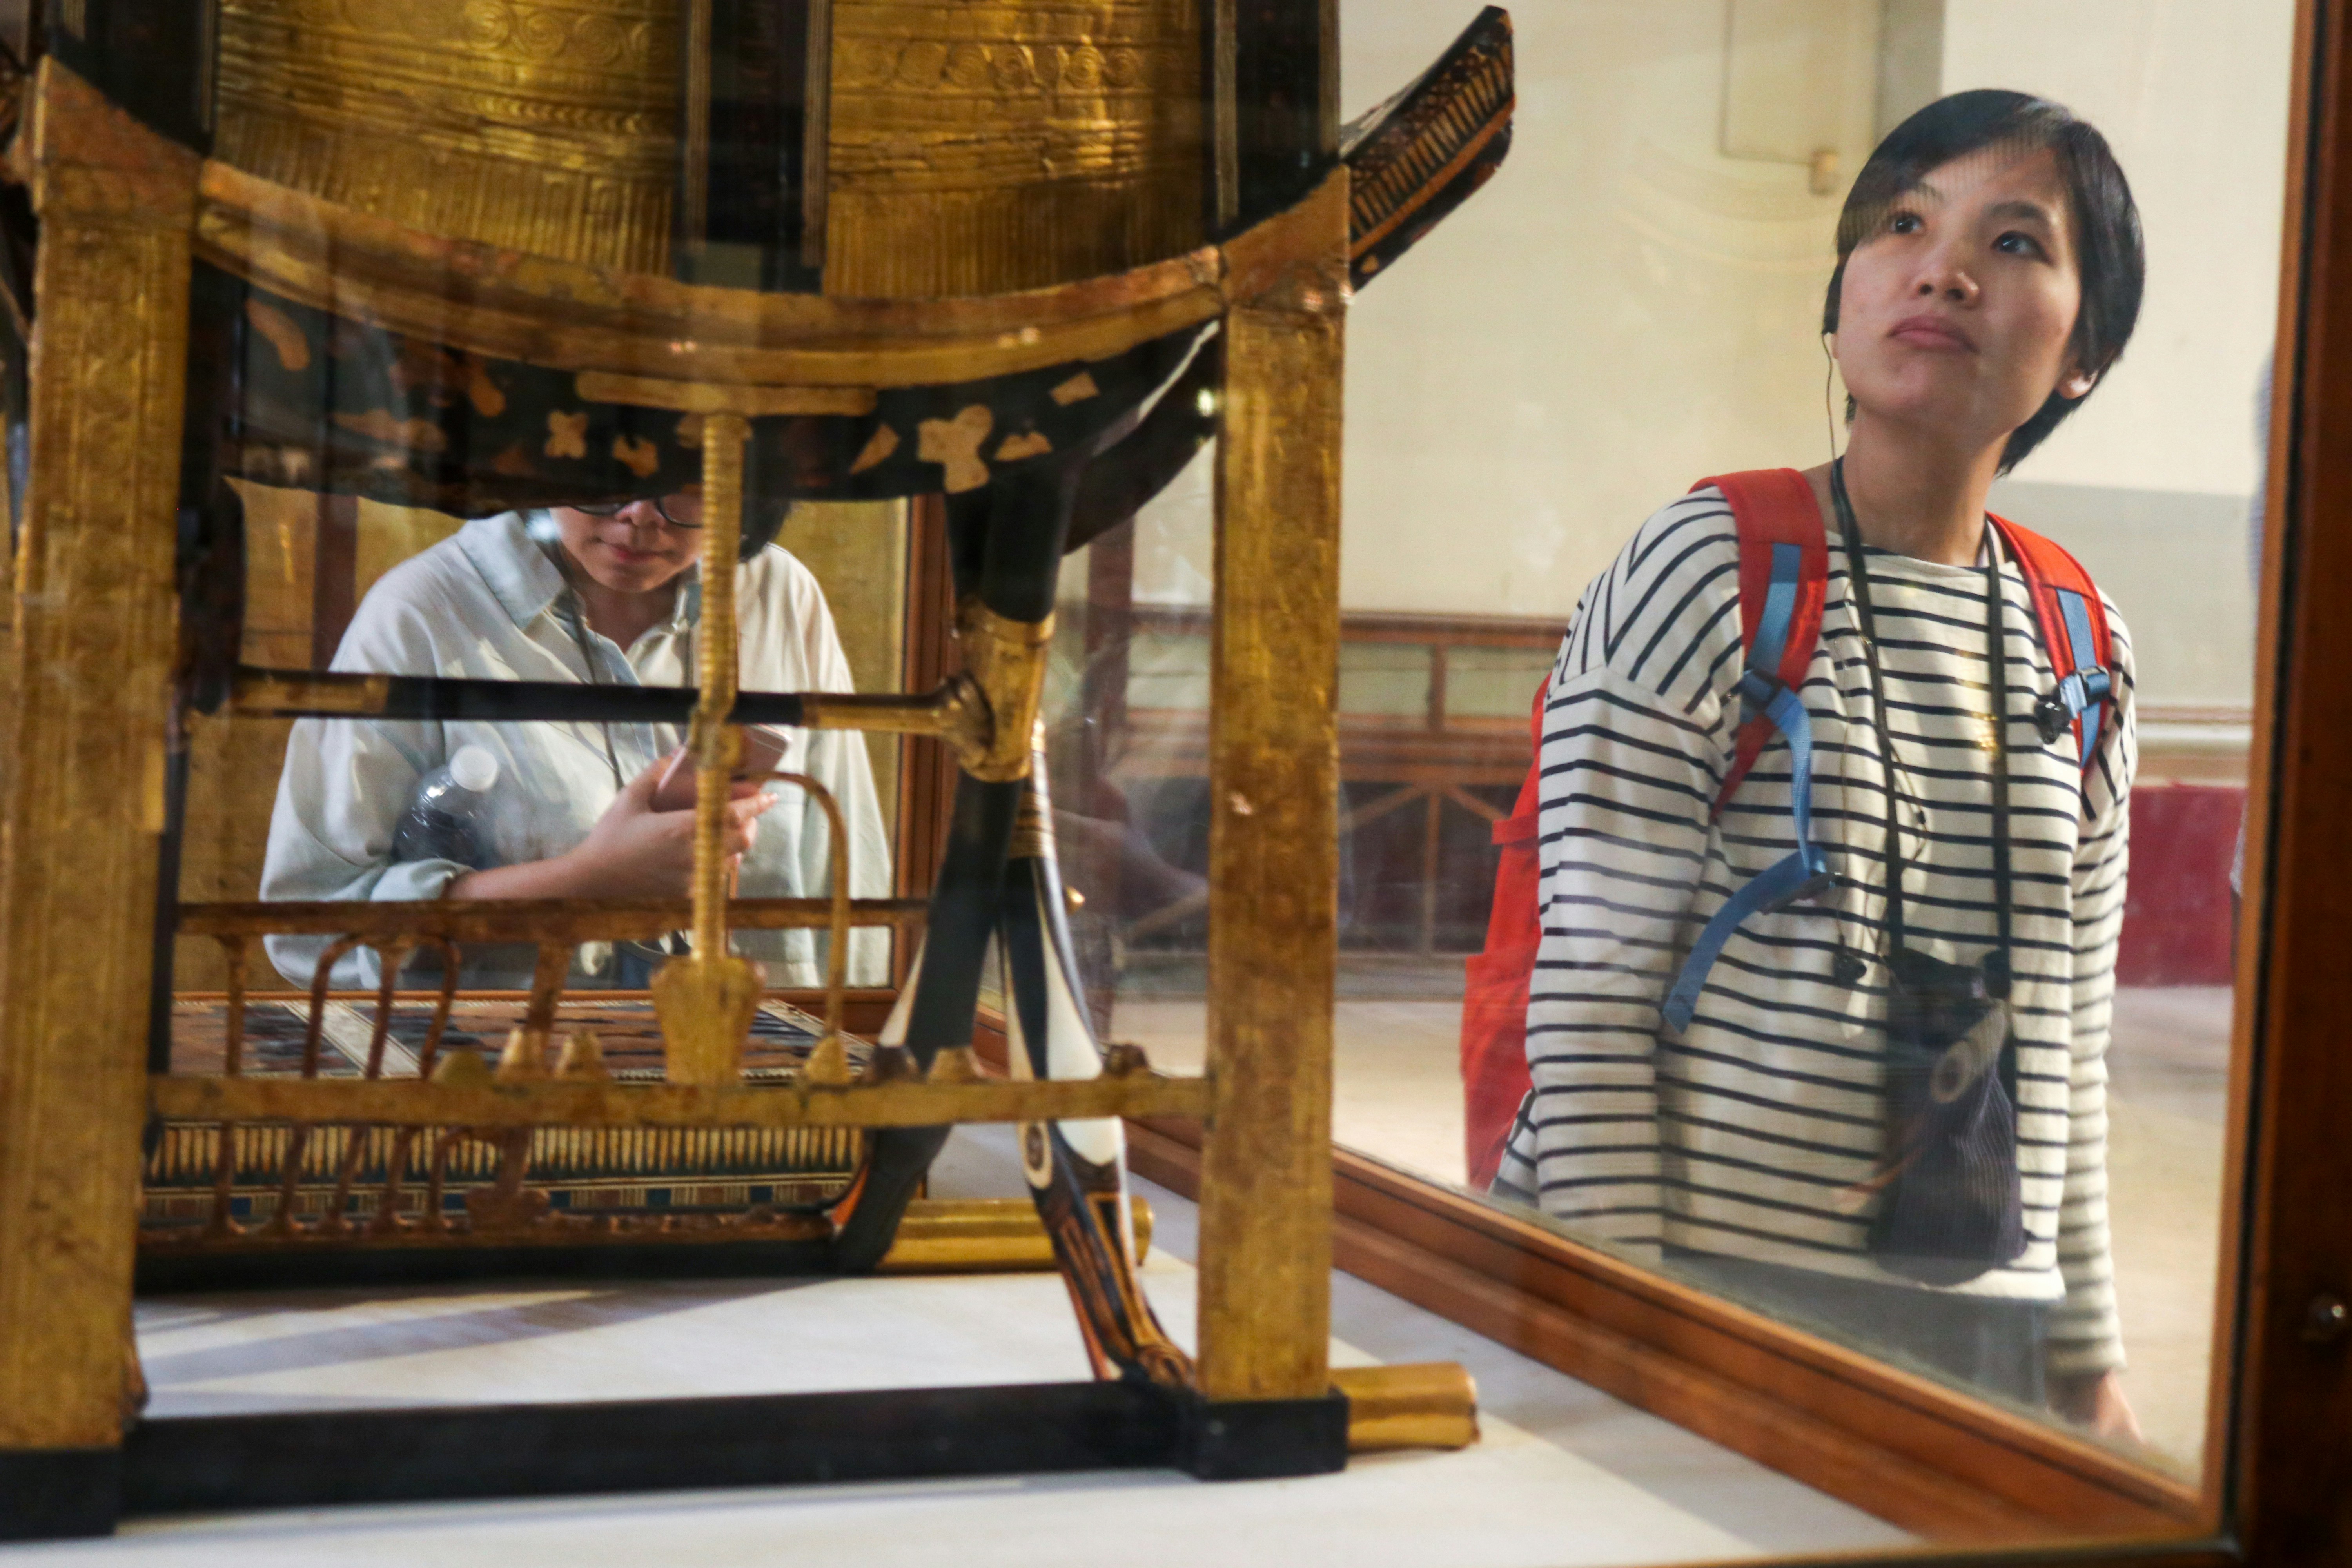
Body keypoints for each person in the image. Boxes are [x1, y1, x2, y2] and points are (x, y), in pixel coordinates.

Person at [1492, 91, 2146, 1440]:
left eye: (2016, 243)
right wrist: (1624, 1320)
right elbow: (1591, 998)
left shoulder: (2084, 641)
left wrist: (2085, 1365)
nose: (1943, 267)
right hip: (1698, 1295)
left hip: (1974, 1314)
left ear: (2084, 353)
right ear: (1840, 301)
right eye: (1904, 224)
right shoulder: (1706, 566)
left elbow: (2068, 1037)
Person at [260, 491, 893, 991]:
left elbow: (844, 872)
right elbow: (311, 931)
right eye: (610, 476)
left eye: (687, 482)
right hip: (500, 1088)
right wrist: (584, 882)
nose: (638, 517)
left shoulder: (779, 595)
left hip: (751, 1079)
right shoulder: (424, 614)